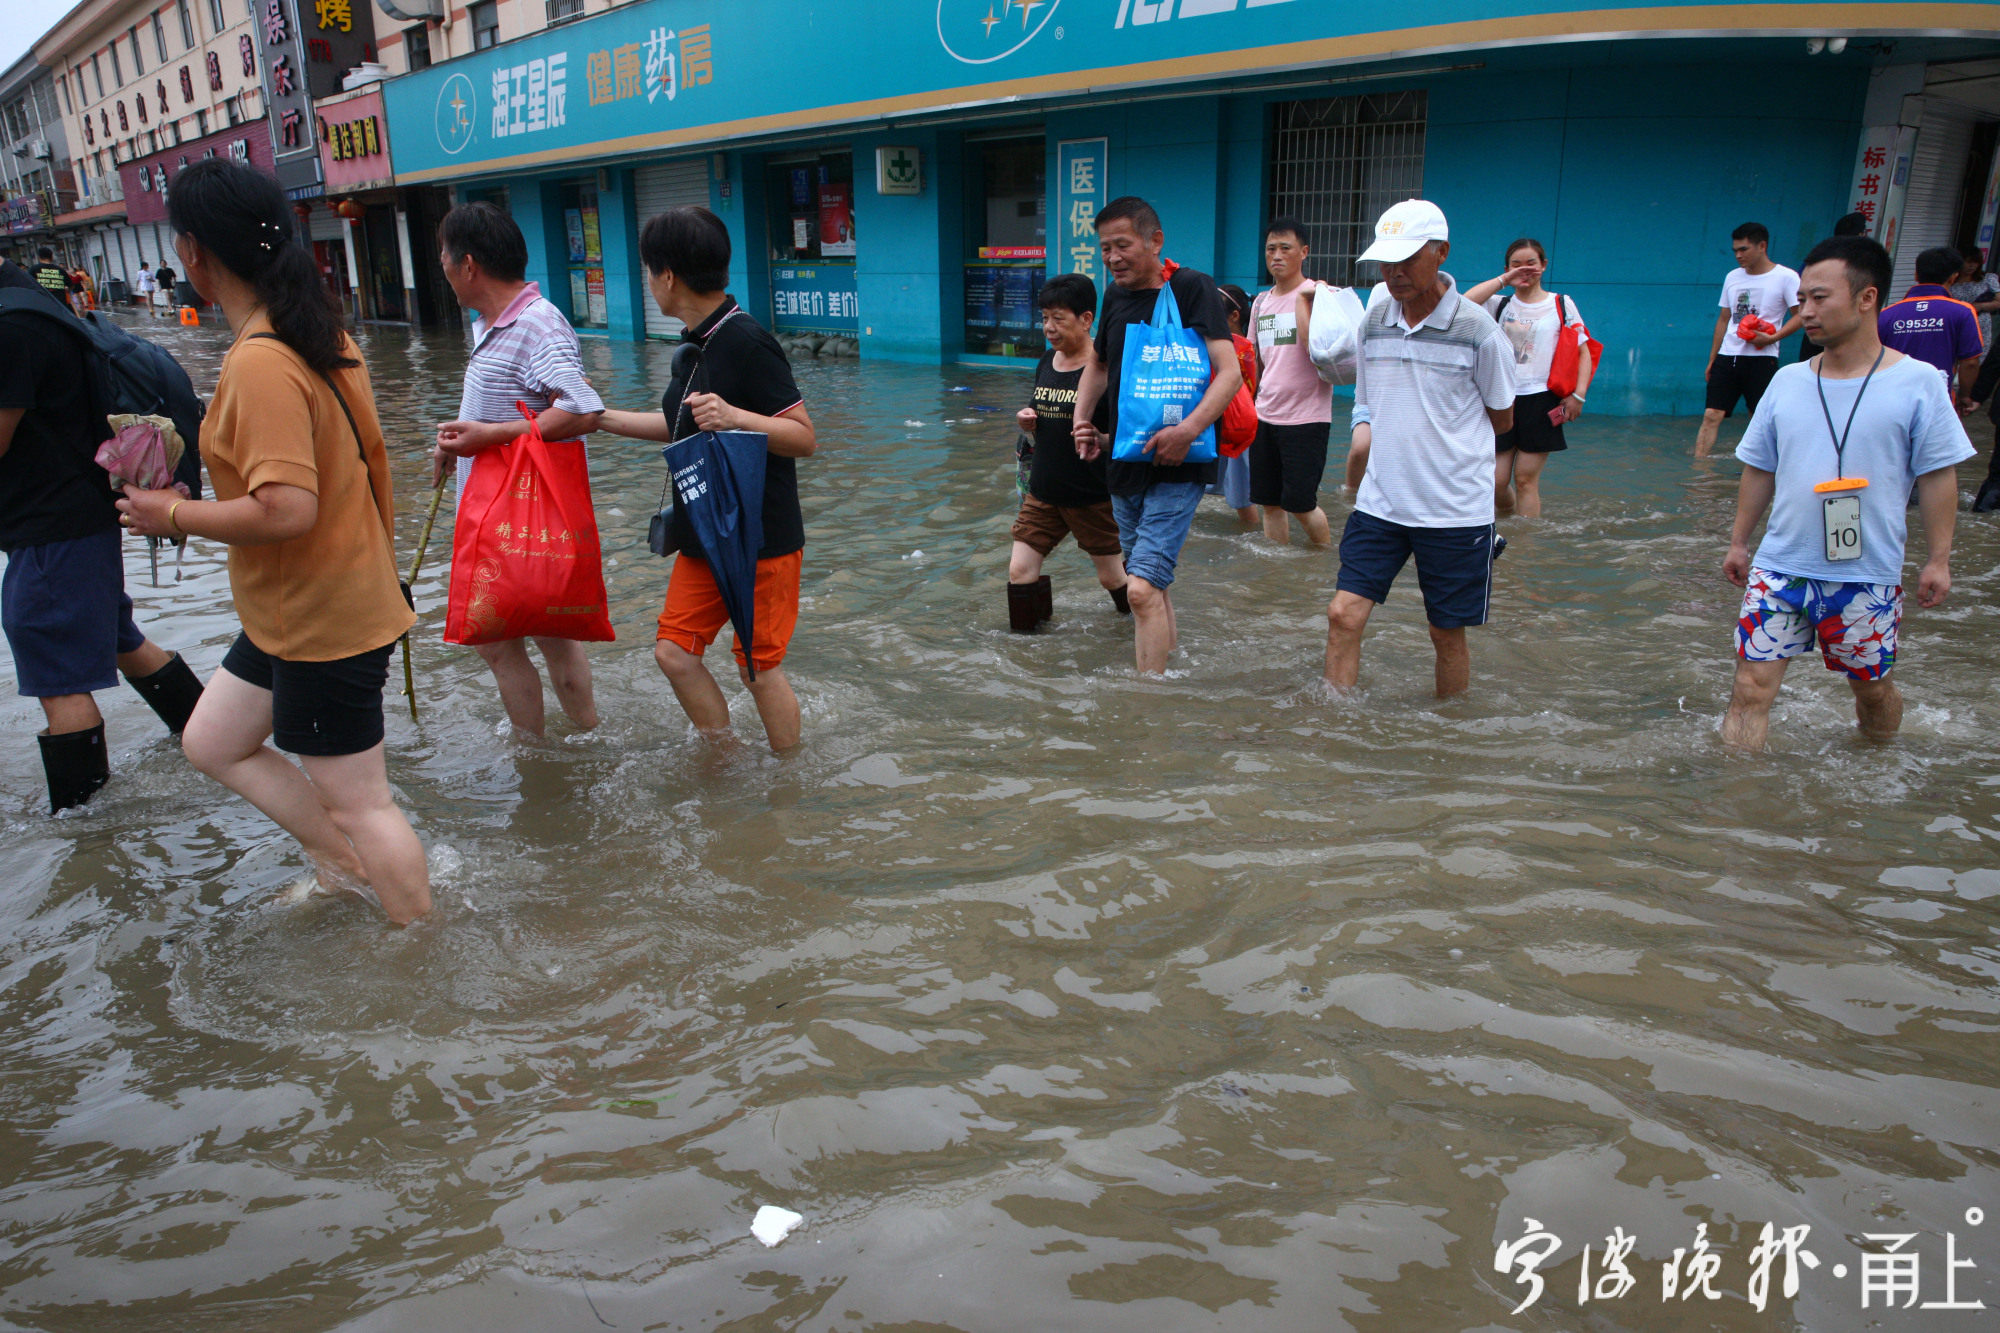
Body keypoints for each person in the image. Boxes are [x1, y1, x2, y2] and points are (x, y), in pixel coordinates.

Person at [116, 158, 429, 923]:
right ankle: (341, 865)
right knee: (211, 739)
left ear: (192, 252)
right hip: (311, 602)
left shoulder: (261, 360)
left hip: (323, 616)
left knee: (361, 802)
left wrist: (173, 515)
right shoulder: (318, 334)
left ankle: (420, 941)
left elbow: (287, 509)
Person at [1720, 234, 1973, 750]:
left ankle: (1878, 764)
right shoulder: (1787, 381)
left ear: (1866, 298)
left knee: (1871, 691)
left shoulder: (1919, 382)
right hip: (1780, 568)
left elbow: (1937, 476)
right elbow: (1760, 468)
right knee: (1750, 689)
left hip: (1866, 572)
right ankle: (1735, 794)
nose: (1806, 312)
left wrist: (1938, 559)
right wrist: (1739, 542)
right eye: (1801, 300)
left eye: (1819, 298)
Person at [596, 206, 818, 751]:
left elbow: (803, 437)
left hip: (761, 536)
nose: (650, 283)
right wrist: (598, 419)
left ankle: (789, 780)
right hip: (707, 529)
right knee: (674, 652)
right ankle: (725, 756)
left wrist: (736, 416)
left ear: (668, 275)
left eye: (650, 271)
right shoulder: (695, 343)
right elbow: (680, 425)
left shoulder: (747, 341)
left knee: (756, 667)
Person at [0, 259, 203, 813]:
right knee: (119, 639)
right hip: (81, 517)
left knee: (57, 675)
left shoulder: (11, 327)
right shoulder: (37, 306)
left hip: (50, 528)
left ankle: (83, 829)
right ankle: (211, 741)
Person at [1318, 200, 1515, 698]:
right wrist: (1364, 438)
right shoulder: (1374, 319)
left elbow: (1502, 418)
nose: (1395, 272)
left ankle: (1448, 734)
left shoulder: (1480, 332)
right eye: (1386, 262)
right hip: (1381, 502)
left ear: (1441, 253)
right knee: (1343, 614)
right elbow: (1366, 397)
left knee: (1444, 633)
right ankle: (1332, 726)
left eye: (1407, 259)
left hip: (1454, 510)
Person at [432, 202, 606, 737]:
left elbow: (583, 409)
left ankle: (536, 758)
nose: (442, 268)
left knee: (498, 642)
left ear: (467, 264)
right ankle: (583, 741)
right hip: (497, 511)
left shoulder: (536, 324)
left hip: (515, 515)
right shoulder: (490, 324)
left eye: (444, 258)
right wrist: (458, 442)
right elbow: (502, 405)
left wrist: (490, 436)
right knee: (550, 635)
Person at [1071, 196, 1240, 675]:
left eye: (1122, 245)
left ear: (1155, 241)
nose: (1112, 257)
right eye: (1105, 248)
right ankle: (1171, 674)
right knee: (1152, 584)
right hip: (1125, 457)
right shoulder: (1113, 296)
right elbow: (1099, 365)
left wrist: (1187, 431)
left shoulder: (1191, 288)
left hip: (1179, 461)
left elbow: (1229, 373)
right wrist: (1081, 422)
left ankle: (1147, 700)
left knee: (1140, 589)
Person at [1002, 272, 1127, 630]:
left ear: (1086, 319)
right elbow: (1040, 412)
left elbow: (1124, 432)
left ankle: (1141, 623)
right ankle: (1028, 648)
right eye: (1044, 318)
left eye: (1058, 318)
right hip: (1043, 492)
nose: (1049, 328)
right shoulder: (1047, 361)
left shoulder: (1107, 369)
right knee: (1020, 570)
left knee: (1112, 577)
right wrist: (1028, 419)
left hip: (1092, 496)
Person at [1463, 238, 1596, 519]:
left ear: (1544, 265)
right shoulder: (1499, 304)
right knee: (1495, 481)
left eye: (1531, 263)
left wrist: (1578, 396)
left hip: (1542, 398)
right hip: (1500, 398)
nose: (1525, 270)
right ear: (1507, 269)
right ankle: (1506, 516)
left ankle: (1526, 539)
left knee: (1525, 480)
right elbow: (1464, 302)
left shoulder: (1561, 303)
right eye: (1516, 265)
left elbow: (1583, 352)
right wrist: (1504, 280)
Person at [1249, 217, 1335, 545]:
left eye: (1285, 248)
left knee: (1301, 504)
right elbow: (1255, 359)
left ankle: (1323, 557)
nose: (1276, 256)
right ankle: (1278, 566)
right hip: (1265, 414)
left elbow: (1321, 351)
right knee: (1269, 503)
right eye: (1270, 249)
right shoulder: (1261, 303)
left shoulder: (1318, 296)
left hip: (1307, 418)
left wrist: (1305, 301)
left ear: (1304, 252)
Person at [1696, 222, 1801, 458]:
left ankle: (1756, 467)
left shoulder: (1786, 277)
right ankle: (1700, 469)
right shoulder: (1732, 277)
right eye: (1735, 250)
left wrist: (1773, 337)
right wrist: (1713, 359)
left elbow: (1801, 315)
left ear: (1762, 246)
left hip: (1762, 358)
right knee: (1711, 414)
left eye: (1743, 249)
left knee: (1758, 417)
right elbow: (1724, 319)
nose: (1738, 255)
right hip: (1728, 356)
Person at [1878, 246, 1984, 405]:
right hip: (1939, 402)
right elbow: (1970, 363)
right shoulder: (1962, 312)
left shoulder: (1886, 314)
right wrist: (1964, 397)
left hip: (1892, 400)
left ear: (1916, 274)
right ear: (1953, 277)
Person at [1207, 282, 1258, 529]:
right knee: (1239, 496)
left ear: (1234, 316)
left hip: (1234, 426)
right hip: (1225, 424)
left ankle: (1254, 532)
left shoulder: (1241, 349)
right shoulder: (1239, 347)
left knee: (1242, 498)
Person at [1798, 211, 1869, 362]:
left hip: (1815, 332)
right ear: (1860, 234)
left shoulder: (1817, 256)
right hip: (1846, 334)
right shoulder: (1861, 262)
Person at [1947, 248, 2000, 350]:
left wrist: (1979, 306)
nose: (1972, 266)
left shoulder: (1987, 279)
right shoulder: (1949, 280)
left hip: (1980, 323)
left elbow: (1998, 301)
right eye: (1968, 262)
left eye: (1976, 262)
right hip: (1955, 322)